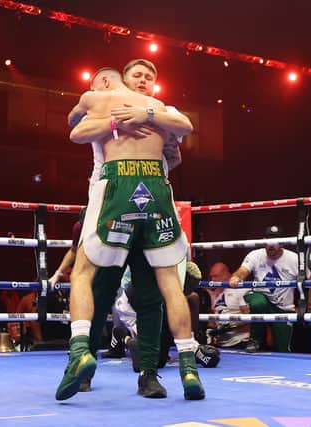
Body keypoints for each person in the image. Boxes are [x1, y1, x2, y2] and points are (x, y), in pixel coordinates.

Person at [56, 67, 203, 401]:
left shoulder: (162, 110)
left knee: (147, 296)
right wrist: (118, 120)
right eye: (137, 75)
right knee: (102, 289)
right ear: (121, 78)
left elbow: (179, 138)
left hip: (135, 199)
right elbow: (76, 127)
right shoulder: (109, 105)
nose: (143, 81)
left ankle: (147, 373)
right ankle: (82, 363)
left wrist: (150, 118)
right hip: (108, 199)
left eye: (149, 77)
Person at [228, 226, 299, 353]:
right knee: (258, 303)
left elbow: (308, 279)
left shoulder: (293, 259)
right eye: (268, 240)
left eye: (275, 241)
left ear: (282, 243)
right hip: (261, 296)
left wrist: (308, 304)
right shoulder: (255, 255)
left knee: (283, 349)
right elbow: (243, 270)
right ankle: (255, 339)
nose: (271, 245)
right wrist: (236, 277)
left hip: (283, 307)